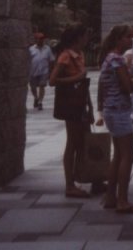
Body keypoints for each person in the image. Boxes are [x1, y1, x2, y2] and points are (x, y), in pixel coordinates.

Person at [97, 24, 133, 214]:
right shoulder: (117, 59)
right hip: (119, 111)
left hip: (111, 109)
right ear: (118, 39)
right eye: (127, 36)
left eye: (132, 36)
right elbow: (128, 88)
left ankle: (111, 196)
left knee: (118, 155)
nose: (131, 40)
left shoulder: (108, 58)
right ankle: (123, 200)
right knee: (128, 155)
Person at [49, 24, 94, 199]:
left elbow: (83, 84)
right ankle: (70, 184)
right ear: (78, 38)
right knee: (73, 143)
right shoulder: (65, 56)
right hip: (70, 105)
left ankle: (89, 176)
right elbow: (52, 81)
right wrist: (76, 77)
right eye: (85, 36)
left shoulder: (80, 55)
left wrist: (90, 107)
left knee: (85, 142)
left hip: (80, 103)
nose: (87, 39)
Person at [29, 32, 54, 110]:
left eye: (42, 39)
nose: (41, 40)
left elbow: (51, 60)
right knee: (33, 87)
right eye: (39, 39)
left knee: (42, 86)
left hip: (44, 71)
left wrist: (50, 71)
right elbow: (27, 60)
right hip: (33, 71)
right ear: (36, 40)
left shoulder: (47, 49)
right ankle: (36, 98)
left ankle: (40, 102)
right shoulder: (31, 49)